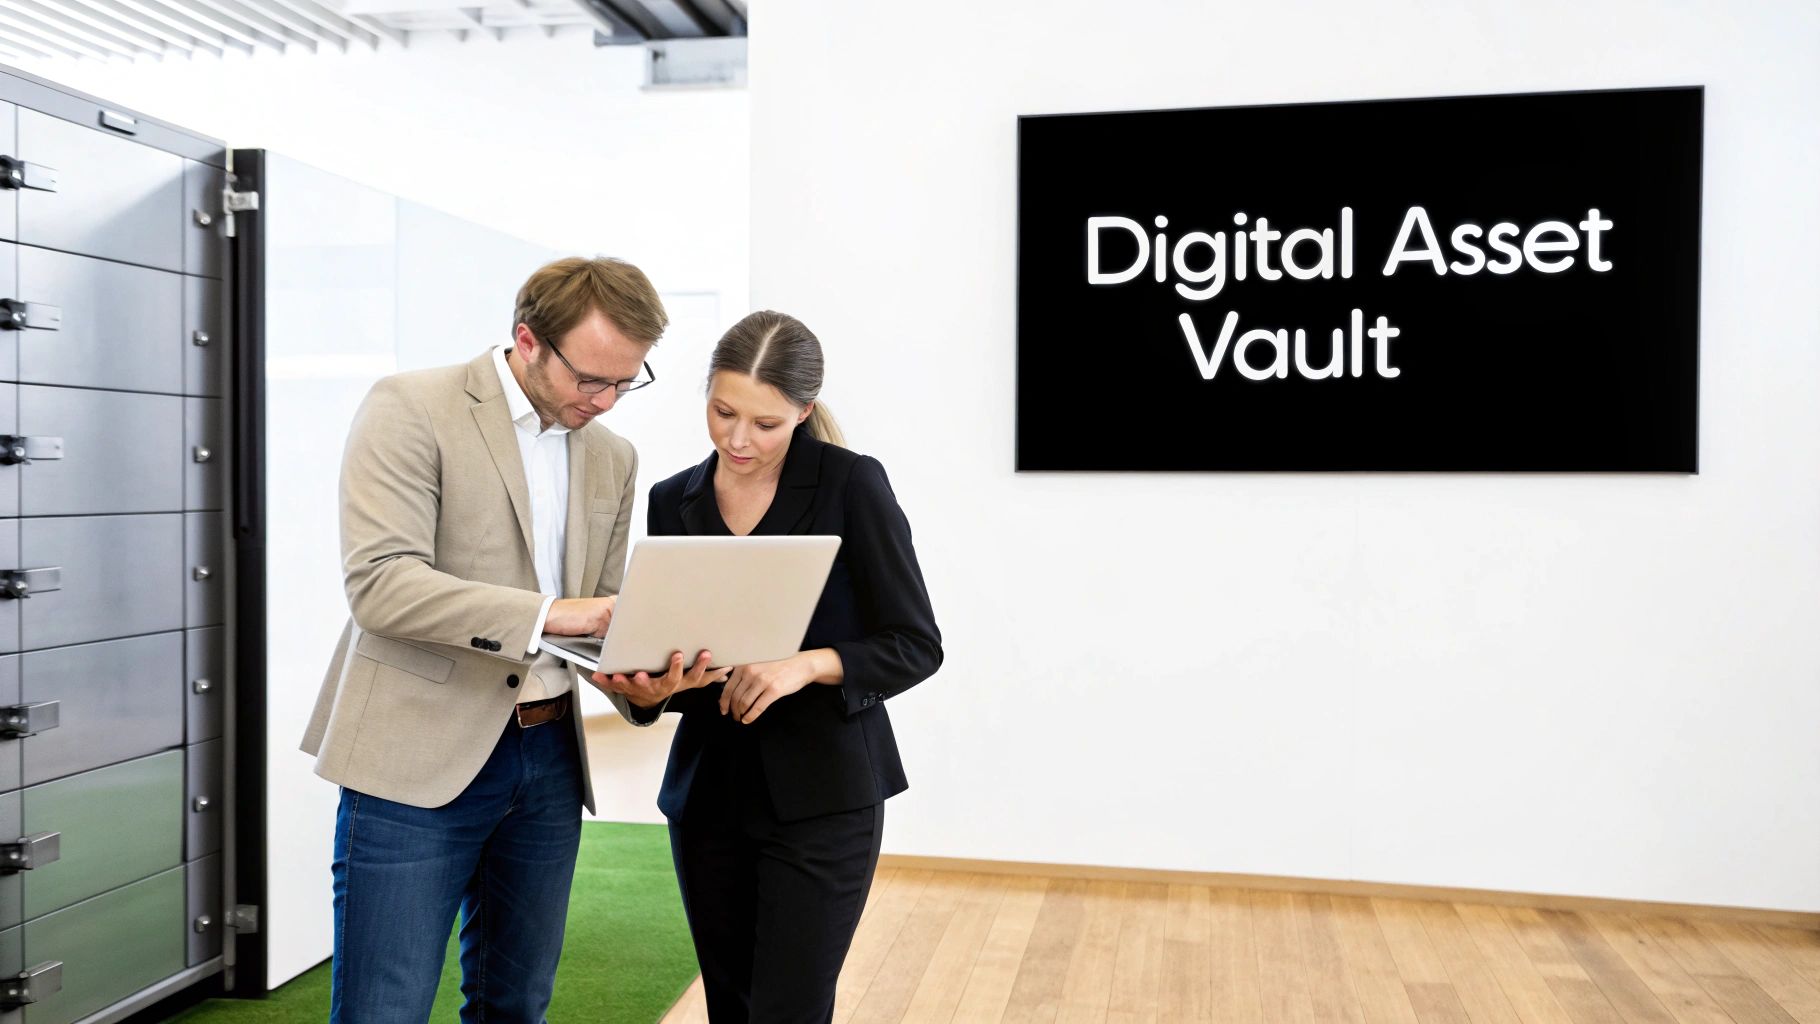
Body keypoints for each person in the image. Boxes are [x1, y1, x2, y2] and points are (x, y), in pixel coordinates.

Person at [300, 256, 723, 1022]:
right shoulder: (412, 406)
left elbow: (599, 621)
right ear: (527, 339)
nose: (605, 401)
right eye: (591, 380)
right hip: (413, 761)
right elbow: (382, 585)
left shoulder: (613, 458)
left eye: (626, 383)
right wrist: (556, 612)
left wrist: (641, 681)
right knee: (382, 1009)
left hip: (549, 759)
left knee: (516, 1004)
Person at [595, 310, 943, 1023]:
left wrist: (805, 665)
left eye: (766, 423)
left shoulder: (852, 485)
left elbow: (915, 642)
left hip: (825, 800)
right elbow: (672, 666)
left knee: (788, 1010)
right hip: (709, 800)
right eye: (722, 412)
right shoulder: (672, 499)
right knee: (732, 1006)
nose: (737, 439)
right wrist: (652, 689)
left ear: (805, 412)